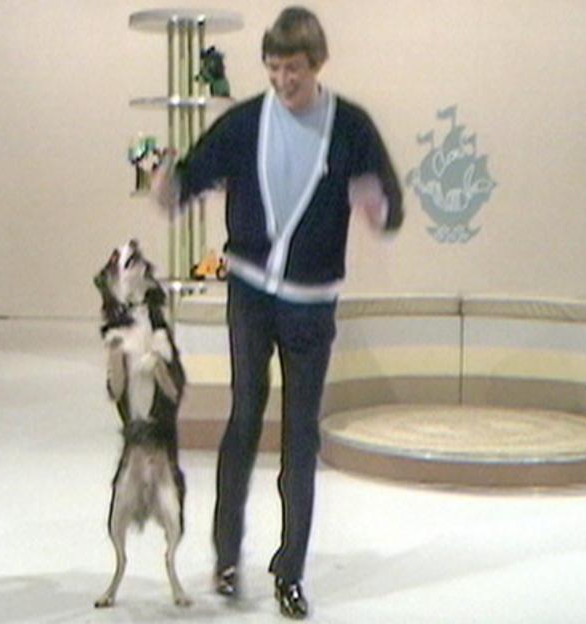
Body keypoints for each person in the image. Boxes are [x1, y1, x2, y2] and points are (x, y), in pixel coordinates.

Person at [150, 6, 402, 620]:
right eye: (274, 69)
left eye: (294, 69)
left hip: (312, 305)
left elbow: (389, 205)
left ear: (316, 66)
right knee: (243, 420)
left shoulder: (352, 127)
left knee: (300, 436)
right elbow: (186, 184)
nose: (284, 80)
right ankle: (226, 556)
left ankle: (290, 570)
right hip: (251, 292)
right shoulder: (242, 123)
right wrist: (166, 185)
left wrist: (377, 212)